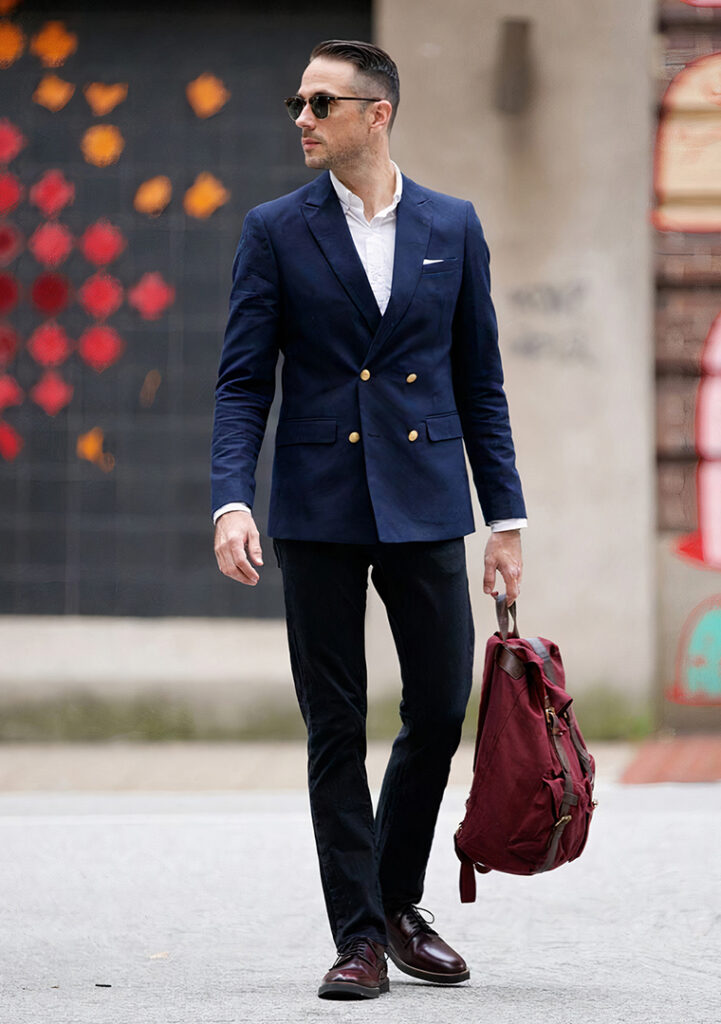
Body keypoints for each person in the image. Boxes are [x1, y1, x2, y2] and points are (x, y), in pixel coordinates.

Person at [211, 39, 526, 1000]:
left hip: (427, 501)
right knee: (332, 724)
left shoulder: (452, 225)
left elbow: (480, 382)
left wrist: (503, 519)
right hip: (316, 509)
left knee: (436, 707)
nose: (300, 118)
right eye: (297, 101)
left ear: (374, 114)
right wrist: (231, 497)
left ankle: (394, 900)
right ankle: (357, 936)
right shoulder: (273, 230)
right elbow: (240, 385)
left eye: (319, 102)